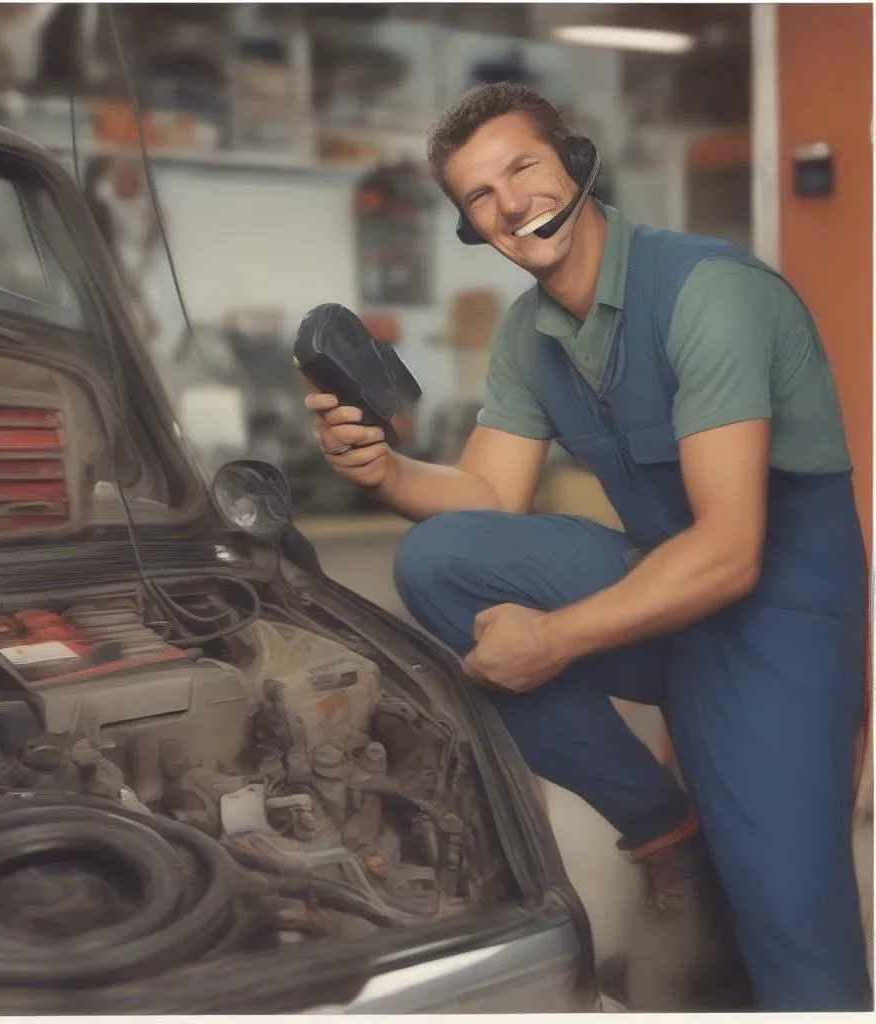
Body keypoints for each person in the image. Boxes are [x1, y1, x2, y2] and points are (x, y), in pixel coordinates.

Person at [300, 82, 871, 1012]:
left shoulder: (708, 292)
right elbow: (486, 496)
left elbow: (731, 551)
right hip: (661, 589)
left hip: (777, 619)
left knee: (791, 934)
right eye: (480, 197)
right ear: (473, 230)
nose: (511, 203)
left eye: (521, 167)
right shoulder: (530, 334)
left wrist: (556, 639)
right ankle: (662, 830)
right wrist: (384, 472)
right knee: (440, 562)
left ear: (574, 161)